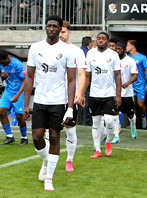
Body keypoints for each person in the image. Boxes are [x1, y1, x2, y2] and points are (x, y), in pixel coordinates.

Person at [24, 15, 76, 191]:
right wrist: (26, 104)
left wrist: (70, 108)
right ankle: (46, 161)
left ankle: (49, 178)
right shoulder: (35, 47)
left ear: (60, 29)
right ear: (45, 28)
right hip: (39, 101)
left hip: (58, 102)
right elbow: (29, 76)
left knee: (54, 137)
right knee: (37, 138)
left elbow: (71, 80)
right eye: (49, 26)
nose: (51, 29)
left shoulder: (68, 50)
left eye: (55, 26)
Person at [85, 32, 121, 158]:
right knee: (95, 122)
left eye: (103, 39)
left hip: (109, 94)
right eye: (98, 39)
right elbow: (87, 75)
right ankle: (98, 150)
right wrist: (83, 93)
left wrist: (118, 95)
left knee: (109, 121)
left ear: (107, 41)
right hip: (94, 94)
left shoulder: (114, 54)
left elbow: (117, 75)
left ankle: (108, 142)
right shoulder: (90, 53)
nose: (100, 41)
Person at [58, 20, 86, 171]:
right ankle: (49, 161)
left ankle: (69, 160)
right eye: (59, 31)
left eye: (63, 31)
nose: (60, 34)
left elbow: (82, 74)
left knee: (70, 128)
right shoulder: (50, 49)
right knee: (51, 130)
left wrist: (80, 93)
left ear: (69, 32)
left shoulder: (77, 51)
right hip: (53, 97)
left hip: (69, 97)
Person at [111, 42, 138, 143]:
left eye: (119, 49)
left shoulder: (130, 61)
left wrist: (128, 83)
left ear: (124, 50)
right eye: (116, 49)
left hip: (127, 92)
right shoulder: (113, 60)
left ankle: (133, 128)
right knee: (115, 113)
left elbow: (135, 75)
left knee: (130, 114)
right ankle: (116, 135)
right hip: (115, 92)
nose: (117, 51)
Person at [0, 49, 28, 145]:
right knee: (1, 112)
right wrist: (3, 78)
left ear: (6, 58)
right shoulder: (1, 63)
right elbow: (2, 77)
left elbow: (25, 81)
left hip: (19, 91)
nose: (1, 65)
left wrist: (18, 94)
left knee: (19, 116)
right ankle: (9, 136)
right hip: (8, 91)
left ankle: (24, 137)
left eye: (2, 62)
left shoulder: (17, 64)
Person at [126, 40, 147, 132]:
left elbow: (146, 70)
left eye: (127, 45)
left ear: (133, 46)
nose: (126, 47)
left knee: (140, 103)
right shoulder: (127, 57)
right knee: (132, 104)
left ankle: (144, 116)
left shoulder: (142, 57)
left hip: (140, 84)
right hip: (131, 84)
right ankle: (133, 124)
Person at [80, 36, 92, 126]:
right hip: (85, 80)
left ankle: (82, 120)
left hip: (78, 80)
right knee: (86, 101)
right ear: (89, 43)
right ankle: (86, 121)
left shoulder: (78, 51)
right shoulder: (87, 53)